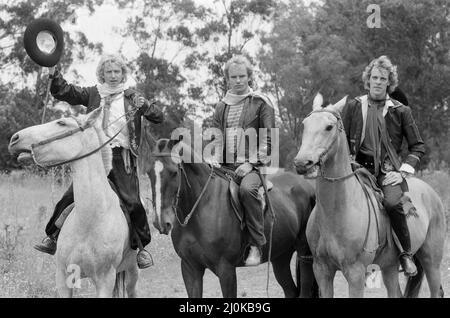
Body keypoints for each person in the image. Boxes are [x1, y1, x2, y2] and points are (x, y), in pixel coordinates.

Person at [34, 54, 163, 269]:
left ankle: (141, 248)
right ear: (102, 74)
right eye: (108, 71)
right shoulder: (93, 93)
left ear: (123, 74)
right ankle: (53, 236)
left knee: (132, 201)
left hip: (122, 159)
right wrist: (53, 73)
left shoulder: (132, 97)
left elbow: (158, 117)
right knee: (71, 195)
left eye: (117, 72)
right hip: (95, 157)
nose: (113, 76)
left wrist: (146, 106)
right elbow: (65, 91)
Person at [342, 55, 425, 276]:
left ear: (389, 82)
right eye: (374, 77)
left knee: (391, 203)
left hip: (389, 173)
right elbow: (340, 140)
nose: (378, 81)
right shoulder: (353, 107)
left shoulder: (401, 111)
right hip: (357, 170)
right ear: (368, 80)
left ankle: (405, 255)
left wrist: (402, 173)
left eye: (383, 78)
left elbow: (417, 146)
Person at [210, 55, 275, 266]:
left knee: (247, 190)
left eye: (242, 76)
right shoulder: (222, 106)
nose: (238, 80)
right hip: (226, 166)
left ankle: (256, 244)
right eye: (233, 77)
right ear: (227, 79)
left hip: (252, 168)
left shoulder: (261, 103)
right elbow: (216, 136)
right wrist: (212, 156)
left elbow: (269, 138)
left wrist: (251, 164)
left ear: (249, 77)